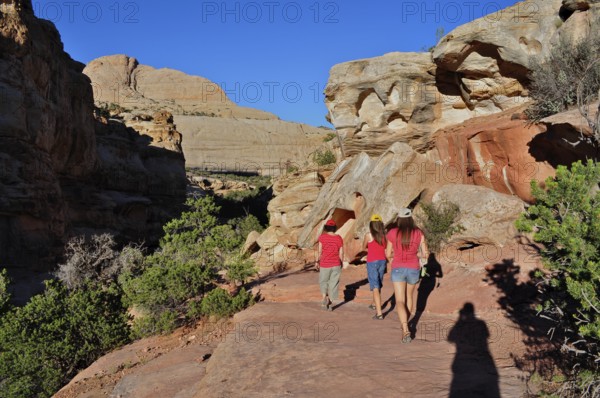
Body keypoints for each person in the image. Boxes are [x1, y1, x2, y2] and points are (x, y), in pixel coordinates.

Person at [386, 208, 429, 343]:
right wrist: (415, 254)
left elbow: (388, 254)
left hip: (398, 267)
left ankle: (405, 329)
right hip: (413, 268)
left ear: (399, 219)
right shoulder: (418, 233)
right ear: (411, 219)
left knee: (399, 300)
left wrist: (396, 255)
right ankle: (407, 323)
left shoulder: (392, 233)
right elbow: (425, 254)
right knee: (409, 296)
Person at [317, 219, 346, 311]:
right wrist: (341, 263)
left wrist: (317, 261)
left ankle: (324, 297)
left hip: (325, 263)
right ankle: (330, 301)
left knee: (323, 281)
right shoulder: (339, 238)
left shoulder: (322, 237)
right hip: (336, 263)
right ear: (334, 228)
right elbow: (341, 253)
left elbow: (320, 251)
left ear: (326, 227)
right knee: (334, 283)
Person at [363, 214, 387, 320]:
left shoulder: (368, 235)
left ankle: (379, 313)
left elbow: (363, 247)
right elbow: (385, 248)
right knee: (378, 284)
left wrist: (370, 251)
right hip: (382, 261)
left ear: (371, 225)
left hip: (372, 262)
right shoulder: (384, 236)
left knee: (375, 286)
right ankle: (374, 304)